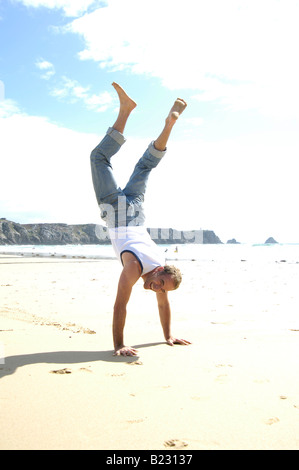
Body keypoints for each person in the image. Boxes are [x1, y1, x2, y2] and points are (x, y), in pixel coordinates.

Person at [90, 82, 191, 356]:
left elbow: (163, 303)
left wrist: (168, 335)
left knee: (145, 164)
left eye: (161, 288)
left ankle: (169, 124)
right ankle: (125, 110)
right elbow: (119, 305)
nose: (156, 289)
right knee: (99, 158)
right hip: (117, 213)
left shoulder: (160, 268)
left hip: (137, 212)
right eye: (160, 284)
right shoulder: (135, 268)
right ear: (160, 271)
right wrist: (119, 345)